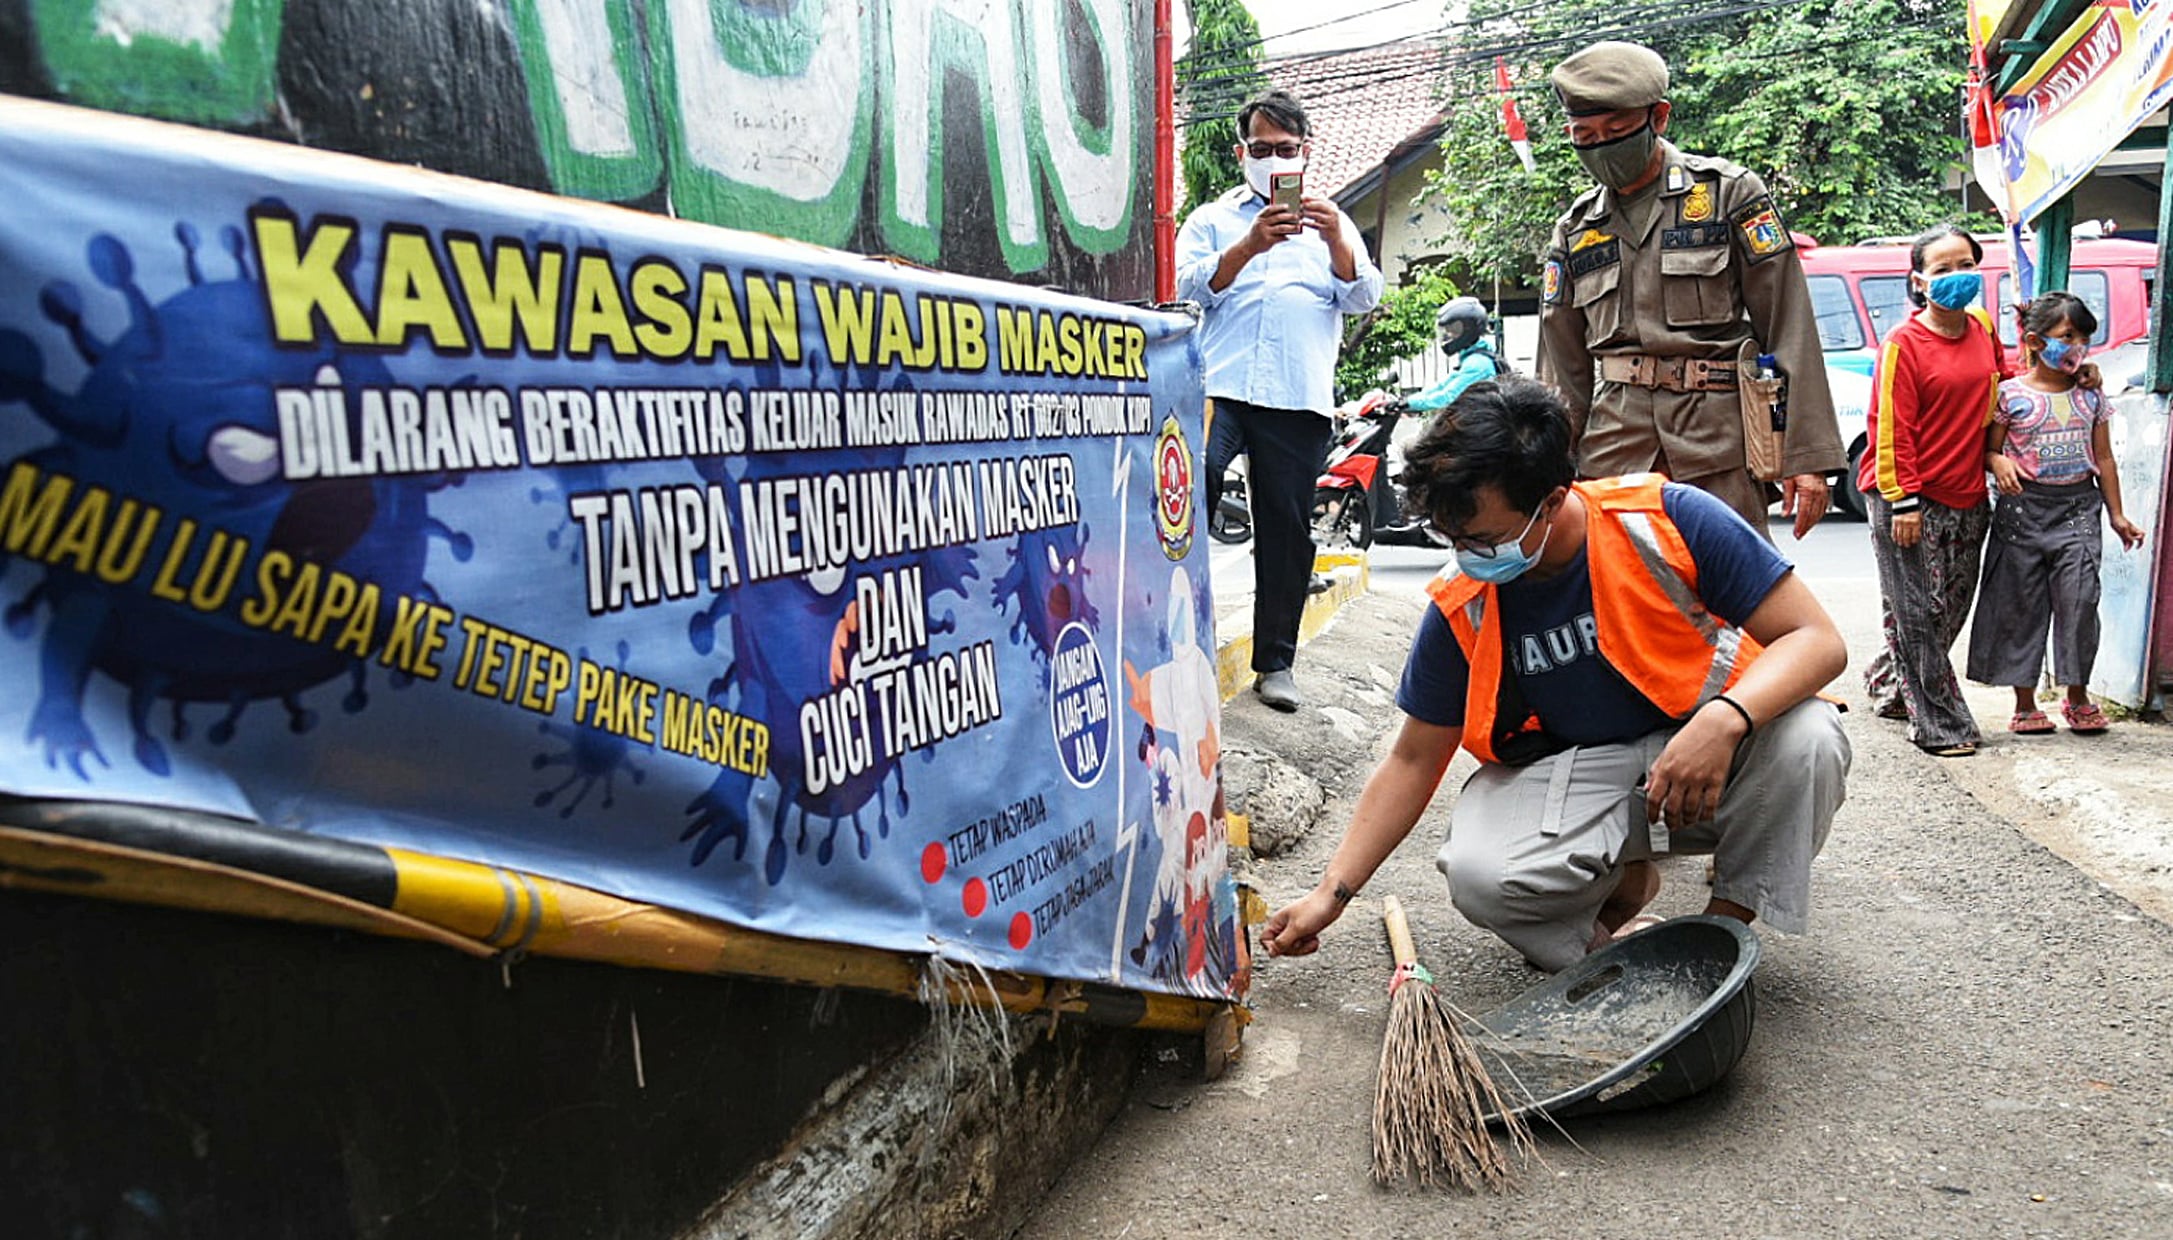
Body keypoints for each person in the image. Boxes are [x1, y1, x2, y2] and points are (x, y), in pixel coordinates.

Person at [1260, 377, 1850, 972]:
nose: (1467, 555)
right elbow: (1413, 759)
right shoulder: (1467, 598)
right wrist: (1330, 894)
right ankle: (1609, 942)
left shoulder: (1663, 521)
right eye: (1454, 538)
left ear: (1551, 500)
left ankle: (1720, 935)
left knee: (1810, 738)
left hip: (1712, 761)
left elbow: (1817, 640)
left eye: (1484, 538)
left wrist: (1726, 719)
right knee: (1479, 874)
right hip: (1590, 777)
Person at [1536, 41, 1843, 541]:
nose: (1601, 147)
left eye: (1616, 132)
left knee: (1735, 600)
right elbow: (1560, 371)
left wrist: (1806, 459)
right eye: (1584, 135)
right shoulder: (1575, 228)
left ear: (1658, 117)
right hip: (1614, 452)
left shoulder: (1728, 193)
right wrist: (1548, 469)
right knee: (1622, 603)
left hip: (1719, 447)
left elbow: (1789, 324)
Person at [1177, 90, 1384, 712]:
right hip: (1221, 386)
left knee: (1287, 528)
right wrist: (1248, 247)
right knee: (1190, 492)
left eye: (1286, 150)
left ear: (1306, 154)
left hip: (1297, 394)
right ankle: (1178, 643)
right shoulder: (1213, 218)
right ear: (1242, 153)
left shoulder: (1334, 220)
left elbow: (1365, 296)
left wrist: (1336, 243)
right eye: (1261, 150)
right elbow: (1189, 289)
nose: (1273, 160)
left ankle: (1276, 665)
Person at [1858, 225, 2009, 757]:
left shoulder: (1984, 327)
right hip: (1906, 497)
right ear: (1919, 281)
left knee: (1950, 609)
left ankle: (1888, 680)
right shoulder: (1903, 344)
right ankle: (1940, 724)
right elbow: (1890, 427)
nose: (1957, 277)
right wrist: (1903, 499)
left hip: (1968, 491)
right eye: (1943, 269)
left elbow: (2002, 391)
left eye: (1966, 264)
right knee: (1917, 612)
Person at [1967, 291, 2146, 736]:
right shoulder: (2009, 395)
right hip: (2021, 514)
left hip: (2078, 511)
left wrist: (2117, 514)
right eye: (2067, 336)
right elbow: (1990, 450)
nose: (2077, 346)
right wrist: (1999, 461)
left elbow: (2103, 458)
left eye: (2084, 337)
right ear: (2034, 340)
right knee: (2021, 605)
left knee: (2080, 602)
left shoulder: (2092, 397)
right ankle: (2024, 702)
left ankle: (2077, 696)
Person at [1375, 296, 1504, 544]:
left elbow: (1448, 395)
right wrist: (1407, 400)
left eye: (1454, 330)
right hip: (1476, 427)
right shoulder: (1472, 358)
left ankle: (1435, 519)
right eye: (1447, 331)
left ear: (1469, 329)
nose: (1448, 337)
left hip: (1480, 431)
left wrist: (1409, 403)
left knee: (1419, 454)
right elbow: (1441, 387)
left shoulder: (1478, 363)